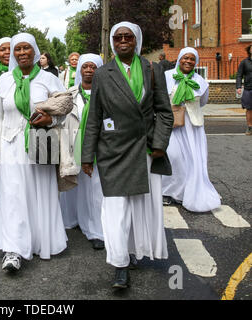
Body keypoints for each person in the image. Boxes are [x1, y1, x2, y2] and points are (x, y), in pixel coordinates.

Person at [81, 22, 173, 289]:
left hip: (145, 150)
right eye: (118, 37)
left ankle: (133, 252)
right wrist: (88, 156)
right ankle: (120, 265)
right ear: (112, 42)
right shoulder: (102, 73)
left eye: (128, 37)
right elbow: (95, 117)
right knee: (116, 209)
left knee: (141, 208)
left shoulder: (153, 70)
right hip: (113, 151)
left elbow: (164, 112)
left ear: (136, 41)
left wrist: (159, 143)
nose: (123, 41)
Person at [0, 33, 68, 272]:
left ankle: (40, 241)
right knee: (12, 196)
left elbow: (64, 110)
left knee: (39, 192)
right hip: (10, 145)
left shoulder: (49, 79)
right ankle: (14, 249)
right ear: (13, 53)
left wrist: (51, 118)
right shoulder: (4, 81)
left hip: (40, 142)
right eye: (17, 49)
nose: (22, 53)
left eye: (26, 48)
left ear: (34, 51)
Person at [162, 47, 221, 212]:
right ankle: (168, 191)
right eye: (185, 58)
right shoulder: (167, 76)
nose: (188, 61)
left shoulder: (200, 81)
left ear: (196, 62)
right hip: (172, 124)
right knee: (173, 156)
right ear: (179, 59)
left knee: (193, 160)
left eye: (192, 59)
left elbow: (203, 102)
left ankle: (186, 193)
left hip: (192, 126)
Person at [59, 53, 105, 250]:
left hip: (97, 146)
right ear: (79, 70)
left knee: (95, 189)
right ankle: (72, 219)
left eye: (93, 67)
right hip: (73, 144)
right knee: (73, 184)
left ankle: (95, 229)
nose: (88, 70)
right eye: (85, 67)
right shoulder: (69, 93)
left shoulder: (106, 92)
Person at [236, 45, 252, 136]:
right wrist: (238, 86)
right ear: (249, 50)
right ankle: (250, 127)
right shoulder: (244, 62)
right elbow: (239, 75)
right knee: (249, 109)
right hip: (248, 88)